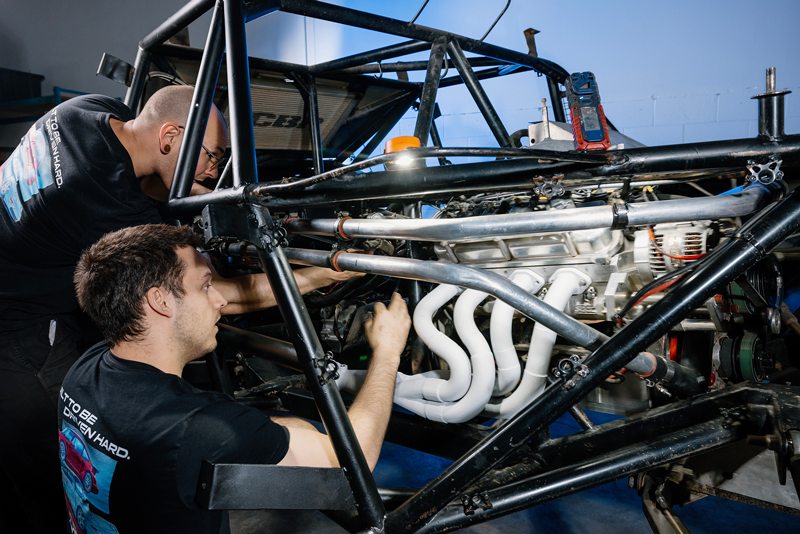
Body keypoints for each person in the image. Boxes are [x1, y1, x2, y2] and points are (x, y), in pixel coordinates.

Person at [0, 85, 358, 533]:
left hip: (18, 282)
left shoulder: (84, 111)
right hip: (21, 334)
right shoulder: (104, 198)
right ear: (170, 137)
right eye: (212, 156)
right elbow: (211, 292)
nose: (213, 170)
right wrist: (315, 276)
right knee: (59, 476)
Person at [60, 223, 410, 533]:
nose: (220, 301)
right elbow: (353, 460)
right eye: (206, 286)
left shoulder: (85, 370)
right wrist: (388, 351)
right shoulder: (193, 426)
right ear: (160, 301)